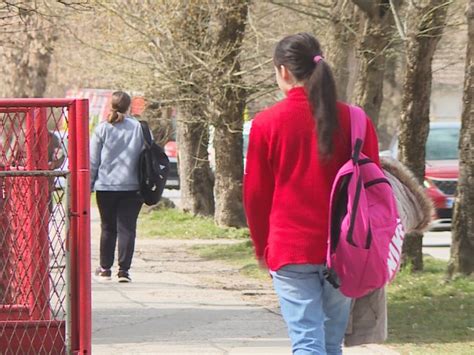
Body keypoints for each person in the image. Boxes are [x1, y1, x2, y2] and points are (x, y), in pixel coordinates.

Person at [243, 33, 381, 355]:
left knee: (307, 341)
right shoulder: (356, 119)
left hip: (290, 248)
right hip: (346, 248)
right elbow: (374, 187)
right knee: (330, 343)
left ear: (284, 72)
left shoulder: (266, 124)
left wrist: (261, 245)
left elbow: (255, 194)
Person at [90, 91, 145, 283]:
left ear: (110, 105)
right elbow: (146, 155)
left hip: (106, 186)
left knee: (108, 228)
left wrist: (89, 185)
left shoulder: (102, 129)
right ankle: (124, 271)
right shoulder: (138, 128)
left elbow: (93, 161)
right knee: (127, 228)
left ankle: (105, 269)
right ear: (129, 106)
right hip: (133, 186)